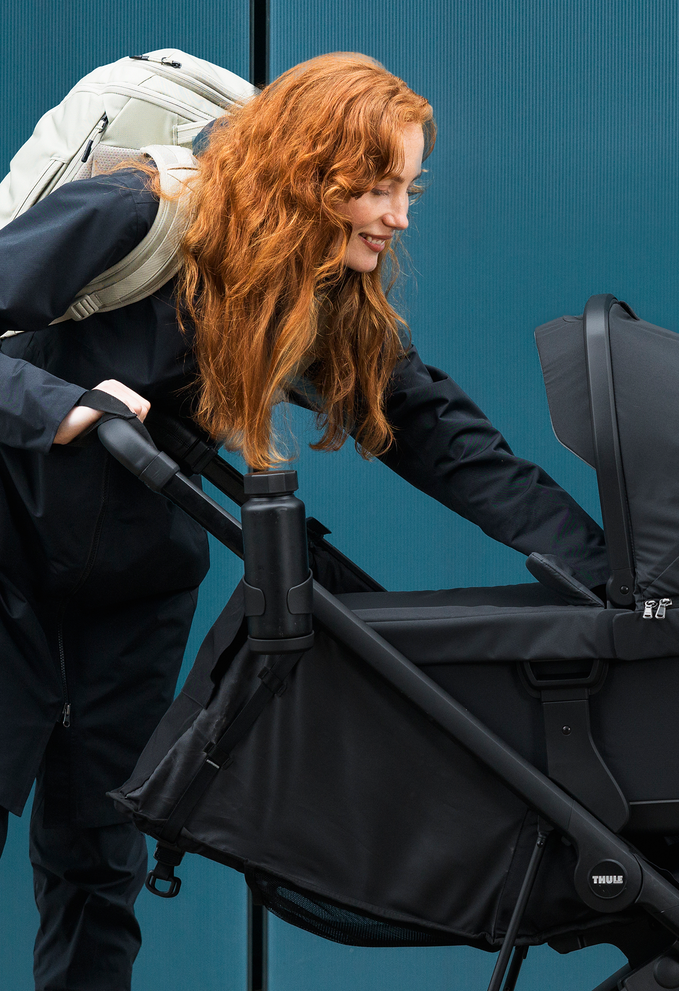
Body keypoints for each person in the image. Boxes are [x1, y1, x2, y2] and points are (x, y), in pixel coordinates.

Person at [0, 53, 607, 989]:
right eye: (378, 187)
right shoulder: (137, 212)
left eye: (408, 187)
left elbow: (432, 432)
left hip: (136, 585)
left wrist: (598, 566)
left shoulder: (312, 285)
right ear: (309, 172)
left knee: (100, 851)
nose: (399, 216)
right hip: (10, 550)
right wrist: (56, 405)